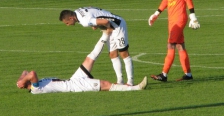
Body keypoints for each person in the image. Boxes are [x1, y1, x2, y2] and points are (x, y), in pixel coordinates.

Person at [17, 32, 147, 93]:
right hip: (76, 87)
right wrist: (22, 81)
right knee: (106, 84)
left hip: (73, 80)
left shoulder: (34, 84)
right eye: (25, 80)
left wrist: (22, 80)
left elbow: (25, 72)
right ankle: (136, 88)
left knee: (89, 58)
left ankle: (105, 35)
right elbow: (31, 73)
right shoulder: (35, 89)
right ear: (28, 83)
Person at [148, 0, 200, 82]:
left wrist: (193, 16)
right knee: (180, 46)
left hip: (179, 18)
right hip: (171, 19)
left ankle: (164, 74)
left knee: (170, 44)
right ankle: (188, 74)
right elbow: (165, 0)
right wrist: (156, 14)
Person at [59, 7, 134, 85]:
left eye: (67, 23)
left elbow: (105, 21)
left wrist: (108, 28)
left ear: (71, 18)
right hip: (111, 26)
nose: (67, 25)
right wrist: (97, 24)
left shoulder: (84, 21)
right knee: (113, 54)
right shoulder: (77, 11)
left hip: (117, 25)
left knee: (123, 53)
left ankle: (130, 81)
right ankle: (120, 81)